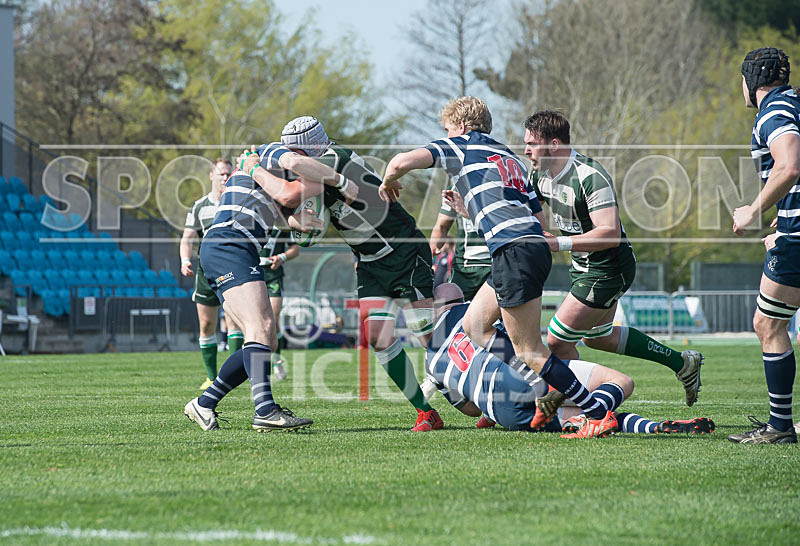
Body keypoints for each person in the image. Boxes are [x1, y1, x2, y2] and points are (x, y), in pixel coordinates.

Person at [379, 96, 617, 438]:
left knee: (529, 350)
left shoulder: (460, 145)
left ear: (460, 126)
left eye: (447, 129)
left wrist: (389, 180)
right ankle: (542, 385)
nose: (445, 134)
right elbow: (537, 217)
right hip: (527, 249)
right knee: (474, 325)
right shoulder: (509, 157)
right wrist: (473, 212)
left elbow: (403, 161)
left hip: (513, 252)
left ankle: (594, 411)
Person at [521, 110, 703, 406]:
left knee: (556, 340)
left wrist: (559, 242)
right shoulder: (540, 174)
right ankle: (683, 363)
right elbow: (529, 208)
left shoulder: (589, 176)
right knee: (597, 338)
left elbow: (610, 233)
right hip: (585, 267)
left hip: (608, 268)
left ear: (554, 144)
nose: (526, 149)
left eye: (531, 143)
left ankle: (581, 404)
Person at [278, 116, 444, 431]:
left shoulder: (332, 159)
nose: (292, 160)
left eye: (294, 152)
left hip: (403, 251)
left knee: (427, 336)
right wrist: (293, 215)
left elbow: (307, 218)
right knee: (379, 337)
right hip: (370, 262)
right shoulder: (316, 175)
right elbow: (311, 231)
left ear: (309, 147)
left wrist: (284, 203)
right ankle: (426, 413)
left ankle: (477, 392)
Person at [184, 137, 355, 432]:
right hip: (230, 244)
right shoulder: (269, 153)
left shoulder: (269, 179)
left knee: (265, 338)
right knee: (262, 327)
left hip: (234, 248)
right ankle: (264, 410)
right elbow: (290, 194)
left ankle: (204, 403)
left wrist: (306, 222)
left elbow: (285, 213)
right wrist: (339, 181)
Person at [422, 283, 715, 436]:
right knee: (622, 381)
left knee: (583, 421)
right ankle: (602, 413)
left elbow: (471, 410)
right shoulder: (469, 311)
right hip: (522, 375)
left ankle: (654, 427)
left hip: (502, 412)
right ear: (460, 302)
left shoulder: (429, 361)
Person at [729, 47, 800, 444]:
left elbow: (790, 165)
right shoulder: (795, 102)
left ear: (751, 80)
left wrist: (753, 210)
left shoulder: (772, 111)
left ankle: (779, 427)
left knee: (768, 323)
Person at [179, 157, 244, 390]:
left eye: (228, 174)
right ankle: (211, 377)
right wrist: (185, 259)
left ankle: (234, 377)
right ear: (211, 176)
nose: (225, 177)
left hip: (233, 268)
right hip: (206, 269)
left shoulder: (238, 202)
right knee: (207, 324)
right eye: (221, 174)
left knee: (235, 322)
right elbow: (187, 238)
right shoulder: (199, 206)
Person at [429, 193, 491, 300]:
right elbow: (442, 226)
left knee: (507, 311)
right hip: (464, 268)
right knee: (448, 308)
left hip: (499, 263)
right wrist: (429, 257)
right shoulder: (454, 188)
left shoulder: (509, 181)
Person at [259, 228, 300, 381]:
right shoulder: (251, 217)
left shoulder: (282, 221)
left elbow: (295, 249)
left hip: (273, 274)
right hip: (251, 272)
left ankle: (276, 360)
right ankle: (252, 365)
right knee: (256, 321)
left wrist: (282, 256)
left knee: (273, 319)